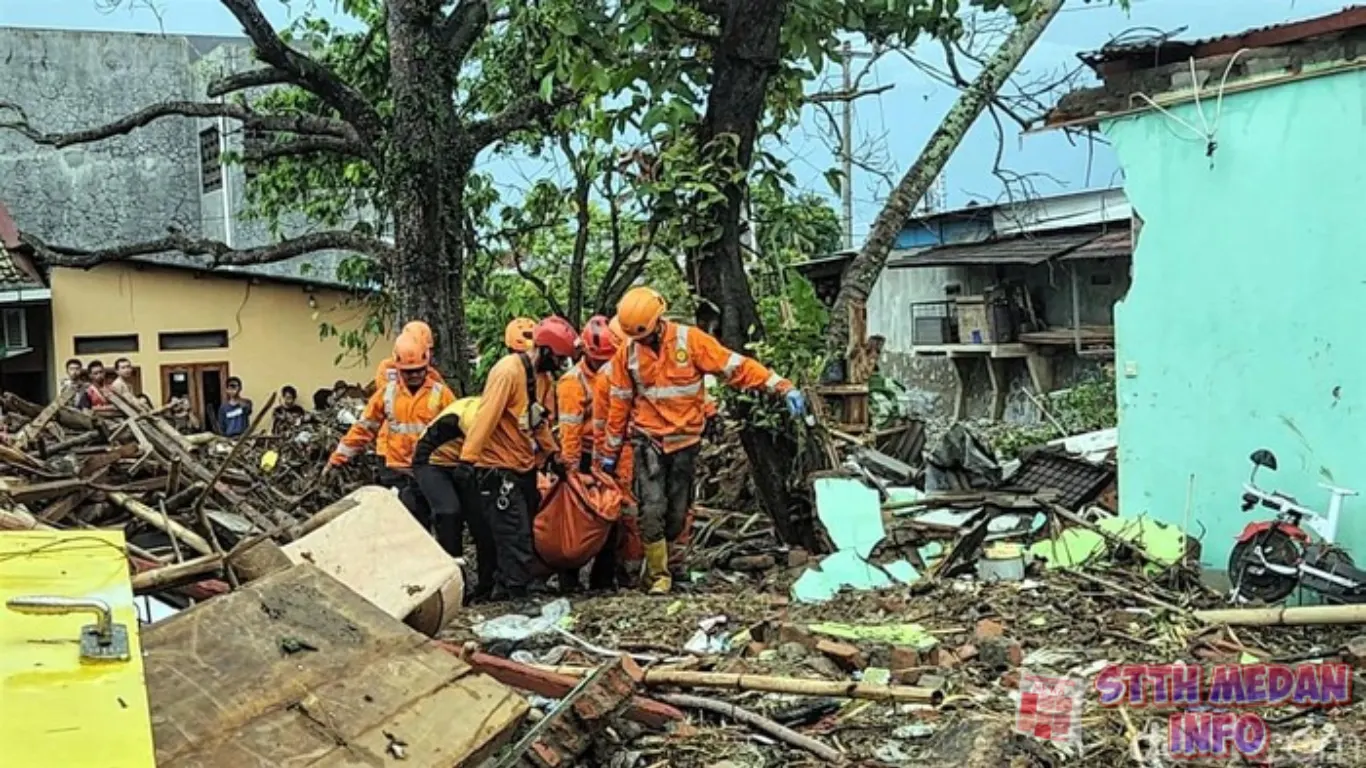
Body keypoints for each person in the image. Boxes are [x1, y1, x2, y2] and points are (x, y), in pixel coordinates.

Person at [601, 286, 807, 594]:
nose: (641, 343)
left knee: (677, 513)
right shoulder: (627, 355)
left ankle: (672, 566)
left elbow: (735, 367)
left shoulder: (690, 341)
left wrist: (781, 386)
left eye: (644, 337)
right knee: (652, 509)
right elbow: (619, 406)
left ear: (658, 321)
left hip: (685, 443)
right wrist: (610, 452)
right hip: (648, 441)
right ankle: (658, 577)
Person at [460, 316, 575, 600]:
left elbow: (538, 422)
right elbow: (486, 417)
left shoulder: (542, 379)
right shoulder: (507, 372)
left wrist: (553, 455)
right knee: (515, 533)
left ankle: (507, 586)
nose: (561, 365)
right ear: (546, 350)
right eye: (559, 358)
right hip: (498, 467)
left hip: (523, 465)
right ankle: (515, 593)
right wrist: (468, 459)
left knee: (525, 530)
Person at [330, 333, 454, 526]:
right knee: (405, 521)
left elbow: (457, 432)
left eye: (419, 370)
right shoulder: (387, 394)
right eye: (408, 372)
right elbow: (363, 428)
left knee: (440, 518)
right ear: (398, 368)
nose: (414, 376)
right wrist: (339, 457)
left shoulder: (441, 394)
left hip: (431, 470)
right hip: (398, 471)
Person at [554, 315, 622, 592]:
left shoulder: (618, 372)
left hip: (610, 452)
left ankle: (603, 578)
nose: (603, 364)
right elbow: (569, 429)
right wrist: (571, 470)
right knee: (576, 516)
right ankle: (569, 578)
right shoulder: (573, 383)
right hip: (582, 455)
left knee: (610, 514)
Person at [412, 396, 498, 601]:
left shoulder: (503, 412)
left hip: (466, 461)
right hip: (433, 462)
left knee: (482, 521)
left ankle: (487, 586)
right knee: (449, 512)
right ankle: (453, 584)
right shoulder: (471, 417)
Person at [374, 321, 445, 462]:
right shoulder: (387, 369)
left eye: (430, 350)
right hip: (391, 452)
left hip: (423, 453)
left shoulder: (432, 375)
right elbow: (395, 401)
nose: (429, 354)